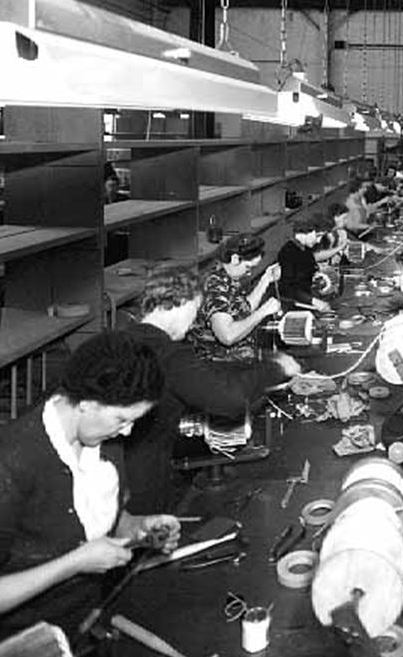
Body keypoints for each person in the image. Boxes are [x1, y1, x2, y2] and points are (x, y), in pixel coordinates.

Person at [0, 332, 178, 638]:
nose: (127, 431)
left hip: (87, 619)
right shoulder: (12, 462)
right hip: (26, 640)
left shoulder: (103, 439)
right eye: (122, 419)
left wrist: (138, 529)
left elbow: (100, 522)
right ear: (86, 402)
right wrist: (75, 563)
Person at [121, 266, 302, 513]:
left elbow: (201, 373)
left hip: (113, 474)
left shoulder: (124, 339)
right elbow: (230, 400)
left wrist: (255, 366)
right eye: (195, 310)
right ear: (180, 304)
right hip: (142, 483)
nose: (193, 322)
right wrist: (275, 369)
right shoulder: (170, 355)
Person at [187, 233, 281, 363]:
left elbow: (242, 310)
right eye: (248, 267)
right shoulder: (215, 287)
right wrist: (262, 312)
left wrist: (266, 280)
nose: (249, 273)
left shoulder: (227, 278)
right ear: (235, 259)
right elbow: (227, 336)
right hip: (220, 367)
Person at [277, 214, 348, 312]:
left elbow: (309, 270)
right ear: (305, 233)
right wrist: (313, 301)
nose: (318, 241)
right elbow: (288, 288)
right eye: (317, 236)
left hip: (309, 298)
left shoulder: (304, 248)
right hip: (297, 306)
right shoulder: (288, 252)